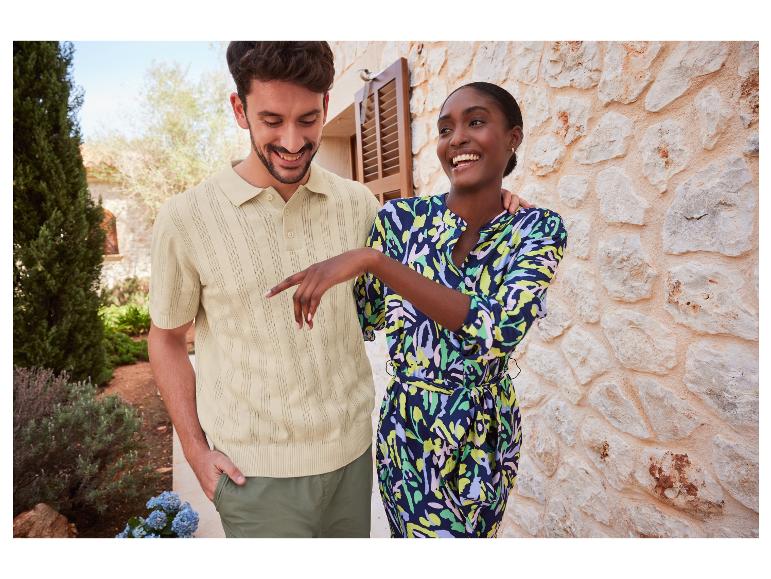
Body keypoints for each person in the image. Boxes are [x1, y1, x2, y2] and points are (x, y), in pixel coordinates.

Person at [149, 42, 528, 538]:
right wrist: (196, 452)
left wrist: (495, 199)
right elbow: (166, 339)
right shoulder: (186, 218)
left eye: (308, 120)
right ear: (239, 110)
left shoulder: (358, 205)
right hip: (254, 476)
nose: (292, 141)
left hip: (354, 461)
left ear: (327, 105)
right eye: (271, 120)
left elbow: (421, 258)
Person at [267, 81, 567, 537]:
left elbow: (502, 327)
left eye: (476, 122)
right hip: (408, 429)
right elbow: (361, 317)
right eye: (445, 129)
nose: (457, 138)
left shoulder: (538, 229)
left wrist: (375, 261)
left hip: (485, 432)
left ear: (513, 138)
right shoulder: (400, 222)